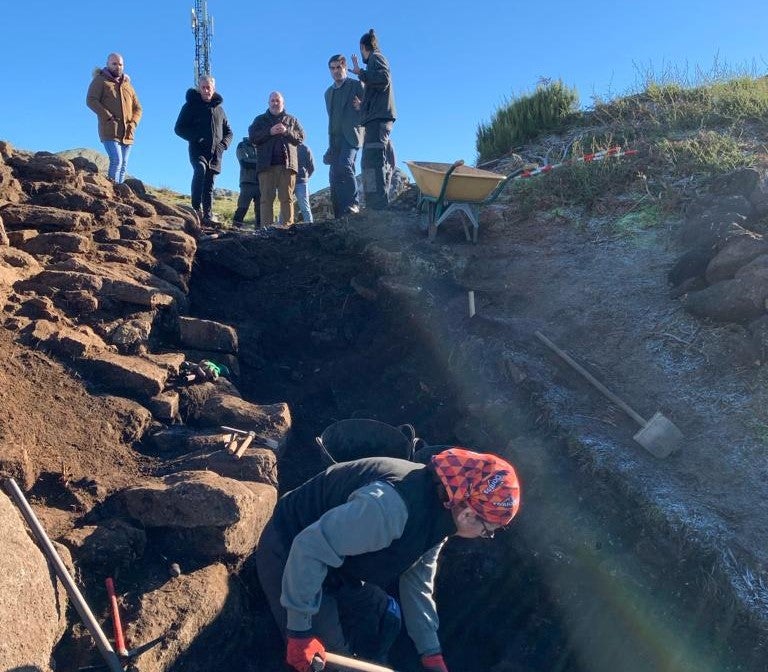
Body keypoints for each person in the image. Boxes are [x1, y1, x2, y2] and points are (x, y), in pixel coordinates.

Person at [255, 447, 521, 672]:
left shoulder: (443, 511)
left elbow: (417, 581)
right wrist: (300, 632)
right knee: (332, 664)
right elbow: (309, 547)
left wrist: (430, 652)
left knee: (384, 618)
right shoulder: (391, 509)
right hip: (290, 550)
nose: (484, 536)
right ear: (468, 515)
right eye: (488, 531)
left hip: (340, 565)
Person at [174, 75, 233, 225]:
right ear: (199, 88)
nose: (206, 90)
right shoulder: (190, 106)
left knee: (209, 184)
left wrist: (222, 145)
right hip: (197, 149)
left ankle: (207, 215)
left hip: (215, 153)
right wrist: (197, 137)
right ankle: (195, 209)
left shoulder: (219, 110)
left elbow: (229, 132)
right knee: (200, 170)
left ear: (214, 89)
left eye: (209, 88)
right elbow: (179, 128)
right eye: (204, 87)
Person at [350, 30, 397, 210]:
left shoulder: (377, 58)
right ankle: (373, 206)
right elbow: (379, 90)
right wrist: (364, 105)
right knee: (368, 162)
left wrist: (360, 73)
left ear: (363, 47)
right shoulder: (373, 62)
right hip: (374, 120)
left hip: (379, 121)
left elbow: (384, 78)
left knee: (374, 162)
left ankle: (378, 208)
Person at [248, 92, 305, 227]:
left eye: (277, 101)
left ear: (283, 103)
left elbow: (301, 137)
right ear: (268, 103)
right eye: (272, 101)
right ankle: (266, 231)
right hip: (266, 167)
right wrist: (270, 132)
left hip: (287, 166)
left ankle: (287, 228)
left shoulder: (293, 120)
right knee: (266, 200)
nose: (275, 103)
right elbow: (252, 137)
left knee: (287, 199)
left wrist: (286, 131)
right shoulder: (259, 120)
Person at [86, 53, 142, 184]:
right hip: (110, 130)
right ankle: (111, 190)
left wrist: (133, 123)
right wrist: (108, 116)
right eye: (114, 64)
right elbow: (91, 100)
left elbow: (138, 108)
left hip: (127, 132)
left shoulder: (127, 85)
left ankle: (119, 193)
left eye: (120, 64)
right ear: (108, 64)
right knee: (116, 160)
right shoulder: (100, 81)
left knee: (123, 165)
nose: (118, 67)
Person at [324, 55, 364, 217]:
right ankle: (339, 213)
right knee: (334, 174)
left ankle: (354, 204)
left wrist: (361, 106)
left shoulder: (357, 85)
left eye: (338, 67)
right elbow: (332, 117)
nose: (335, 71)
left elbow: (370, 107)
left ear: (345, 67)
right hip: (335, 139)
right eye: (332, 68)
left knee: (346, 165)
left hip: (352, 136)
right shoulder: (328, 93)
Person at [233, 137, 262, 229]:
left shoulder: (262, 146)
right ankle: (235, 229)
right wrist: (261, 163)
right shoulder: (242, 145)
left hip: (261, 183)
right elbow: (244, 162)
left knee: (260, 210)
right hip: (247, 182)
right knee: (242, 207)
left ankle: (260, 231)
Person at [295, 142, 315, 223]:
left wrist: (305, 177)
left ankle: (309, 226)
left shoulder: (305, 148)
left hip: (301, 181)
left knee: (304, 206)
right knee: (285, 205)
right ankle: (281, 227)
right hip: (287, 181)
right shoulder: (286, 145)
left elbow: (311, 167)